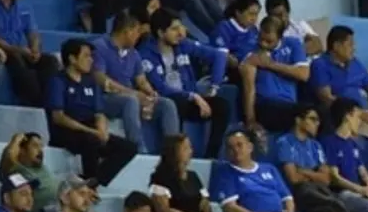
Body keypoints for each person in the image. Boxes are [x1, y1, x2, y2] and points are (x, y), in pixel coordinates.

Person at [45, 39, 138, 185]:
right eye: (86, 56)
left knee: (129, 148)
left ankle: (94, 181)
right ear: (72, 59)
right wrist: (92, 131)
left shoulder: (91, 81)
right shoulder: (58, 81)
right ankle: (89, 178)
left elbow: (99, 113)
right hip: (66, 131)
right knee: (91, 140)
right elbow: (58, 117)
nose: (91, 60)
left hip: (89, 129)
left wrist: (102, 130)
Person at [140, 10, 230, 159]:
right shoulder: (145, 54)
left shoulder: (183, 45)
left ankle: (211, 156)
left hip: (191, 100)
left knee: (222, 106)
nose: (181, 33)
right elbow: (161, 88)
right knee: (176, 103)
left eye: (180, 27)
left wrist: (214, 86)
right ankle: (175, 155)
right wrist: (193, 96)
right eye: (174, 29)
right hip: (164, 102)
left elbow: (220, 54)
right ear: (161, 33)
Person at [89, 13, 180, 153]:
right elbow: (100, 79)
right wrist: (133, 94)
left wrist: (151, 94)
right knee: (131, 101)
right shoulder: (99, 47)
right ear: (127, 31)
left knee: (166, 104)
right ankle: (138, 149)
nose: (139, 36)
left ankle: (173, 151)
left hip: (130, 96)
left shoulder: (134, 53)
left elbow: (141, 80)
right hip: (105, 98)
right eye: (137, 32)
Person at [308, 26, 368, 144]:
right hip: (343, 120)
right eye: (350, 44)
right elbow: (326, 98)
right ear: (336, 46)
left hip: (364, 117)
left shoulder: (354, 63)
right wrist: (358, 113)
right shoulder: (320, 64)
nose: (354, 48)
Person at [0, 0, 60, 107]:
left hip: (19, 49)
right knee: (19, 63)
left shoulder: (24, 5)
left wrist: (34, 48)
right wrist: (18, 50)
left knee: (50, 61)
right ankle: (34, 105)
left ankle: (51, 106)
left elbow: (33, 32)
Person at [239, 16, 310, 136]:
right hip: (265, 104)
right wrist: (251, 121)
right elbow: (249, 89)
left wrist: (270, 64)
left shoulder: (293, 44)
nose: (263, 44)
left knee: (317, 114)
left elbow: (304, 74)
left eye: (269, 41)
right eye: (261, 38)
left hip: (289, 104)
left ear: (280, 37)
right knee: (302, 116)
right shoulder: (252, 51)